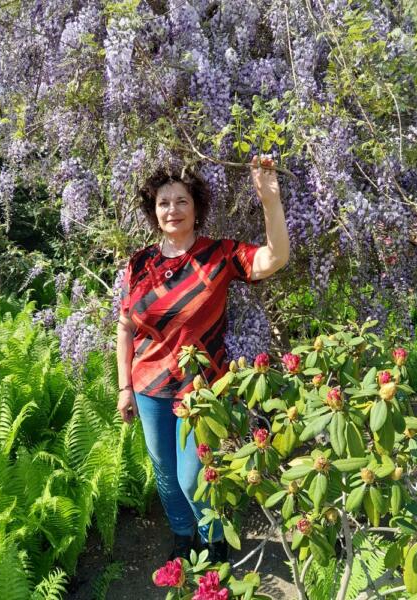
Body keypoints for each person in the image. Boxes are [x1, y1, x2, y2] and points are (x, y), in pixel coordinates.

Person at [116, 155, 289, 563]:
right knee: (164, 472)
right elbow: (125, 328)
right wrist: (124, 387)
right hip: (149, 385)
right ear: (153, 211)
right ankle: (182, 534)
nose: (172, 210)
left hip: (202, 390)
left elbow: (275, 258)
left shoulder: (218, 255)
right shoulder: (139, 264)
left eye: (181, 201)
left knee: (194, 475)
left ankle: (213, 537)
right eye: (163, 203)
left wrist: (270, 200)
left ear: (196, 208)